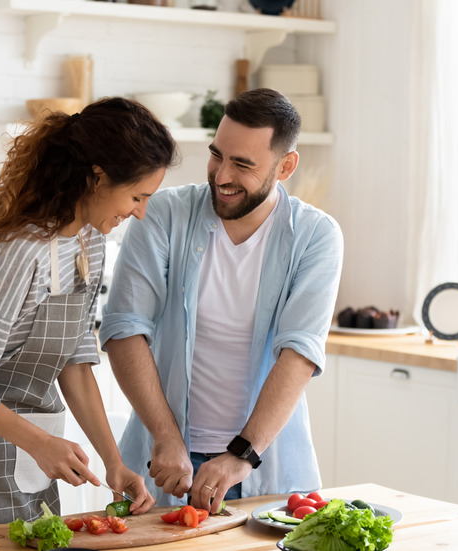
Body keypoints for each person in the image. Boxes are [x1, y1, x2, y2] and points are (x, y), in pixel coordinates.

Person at [0, 96, 177, 528]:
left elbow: (75, 363)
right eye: (136, 196)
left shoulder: (89, 243)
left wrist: (113, 462)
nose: (140, 212)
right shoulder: (20, 253)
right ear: (97, 177)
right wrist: (41, 444)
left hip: (33, 462)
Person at [98, 88, 344, 514]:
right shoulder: (161, 214)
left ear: (286, 166)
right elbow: (124, 329)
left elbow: (300, 352)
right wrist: (167, 436)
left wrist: (241, 455)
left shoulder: (316, 236)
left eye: (243, 164)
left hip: (263, 467)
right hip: (162, 463)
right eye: (218, 155)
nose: (222, 175)